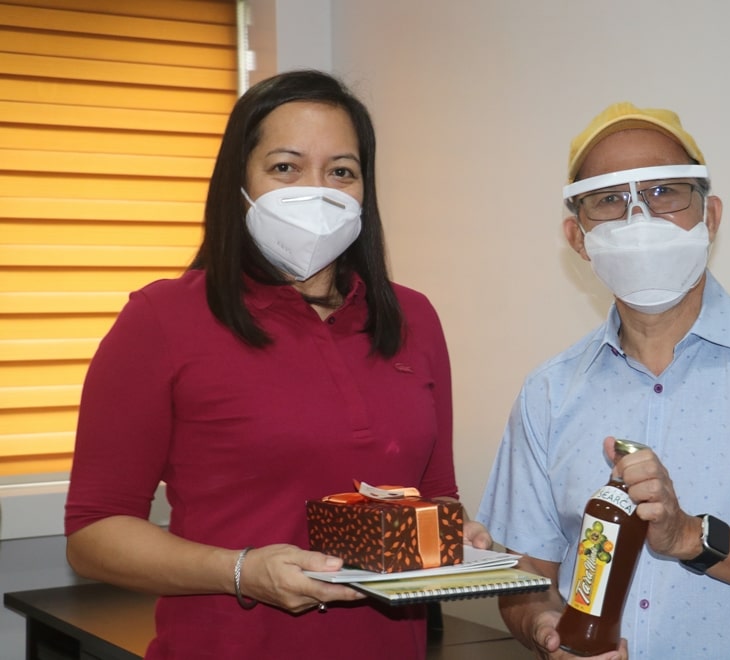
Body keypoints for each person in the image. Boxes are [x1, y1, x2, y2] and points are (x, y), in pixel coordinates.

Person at [65, 69, 491, 659]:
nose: (317, 190)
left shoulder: (413, 316)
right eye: (285, 167)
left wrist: (452, 535)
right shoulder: (161, 318)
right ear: (239, 181)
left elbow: (436, 492)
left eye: (341, 171)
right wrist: (241, 572)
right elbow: (93, 533)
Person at [477, 103, 730, 660]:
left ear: (710, 217)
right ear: (577, 237)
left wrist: (690, 535)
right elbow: (528, 578)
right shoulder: (548, 392)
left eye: (665, 191)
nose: (638, 218)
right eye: (610, 199)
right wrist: (548, 628)